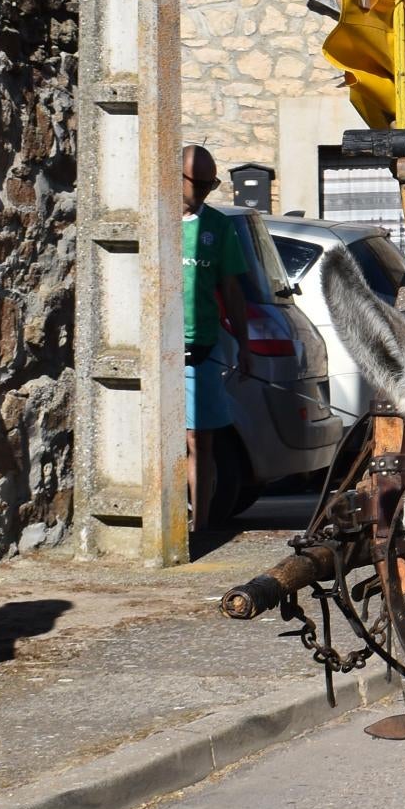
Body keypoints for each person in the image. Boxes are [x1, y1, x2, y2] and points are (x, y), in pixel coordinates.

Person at [181, 144, 251, 536]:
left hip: (202, 346)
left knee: (200, 440)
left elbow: (233, 291)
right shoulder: (154, 221)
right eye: (200, 184)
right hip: (161, 350)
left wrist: (245, 344)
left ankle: (200, 524)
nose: (206, 191)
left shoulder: (219, 228)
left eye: (212, 184)